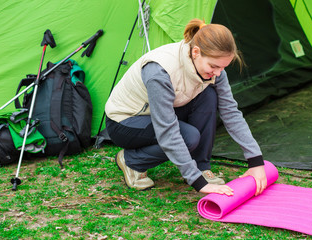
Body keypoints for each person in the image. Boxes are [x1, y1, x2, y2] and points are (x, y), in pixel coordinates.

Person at [105, 18, 267, 196]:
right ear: (196, 52)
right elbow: (167, 130)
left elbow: (231, 112)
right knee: (188, 137)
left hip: (161, 113)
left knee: (209, 95)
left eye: (223, 67)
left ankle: (201, 166)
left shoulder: (214, 69)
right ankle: (131, 160)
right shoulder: (160, 72)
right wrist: (198, 183)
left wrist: (256, 162)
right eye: (214, 66)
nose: (218, 73)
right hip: (125, 122)